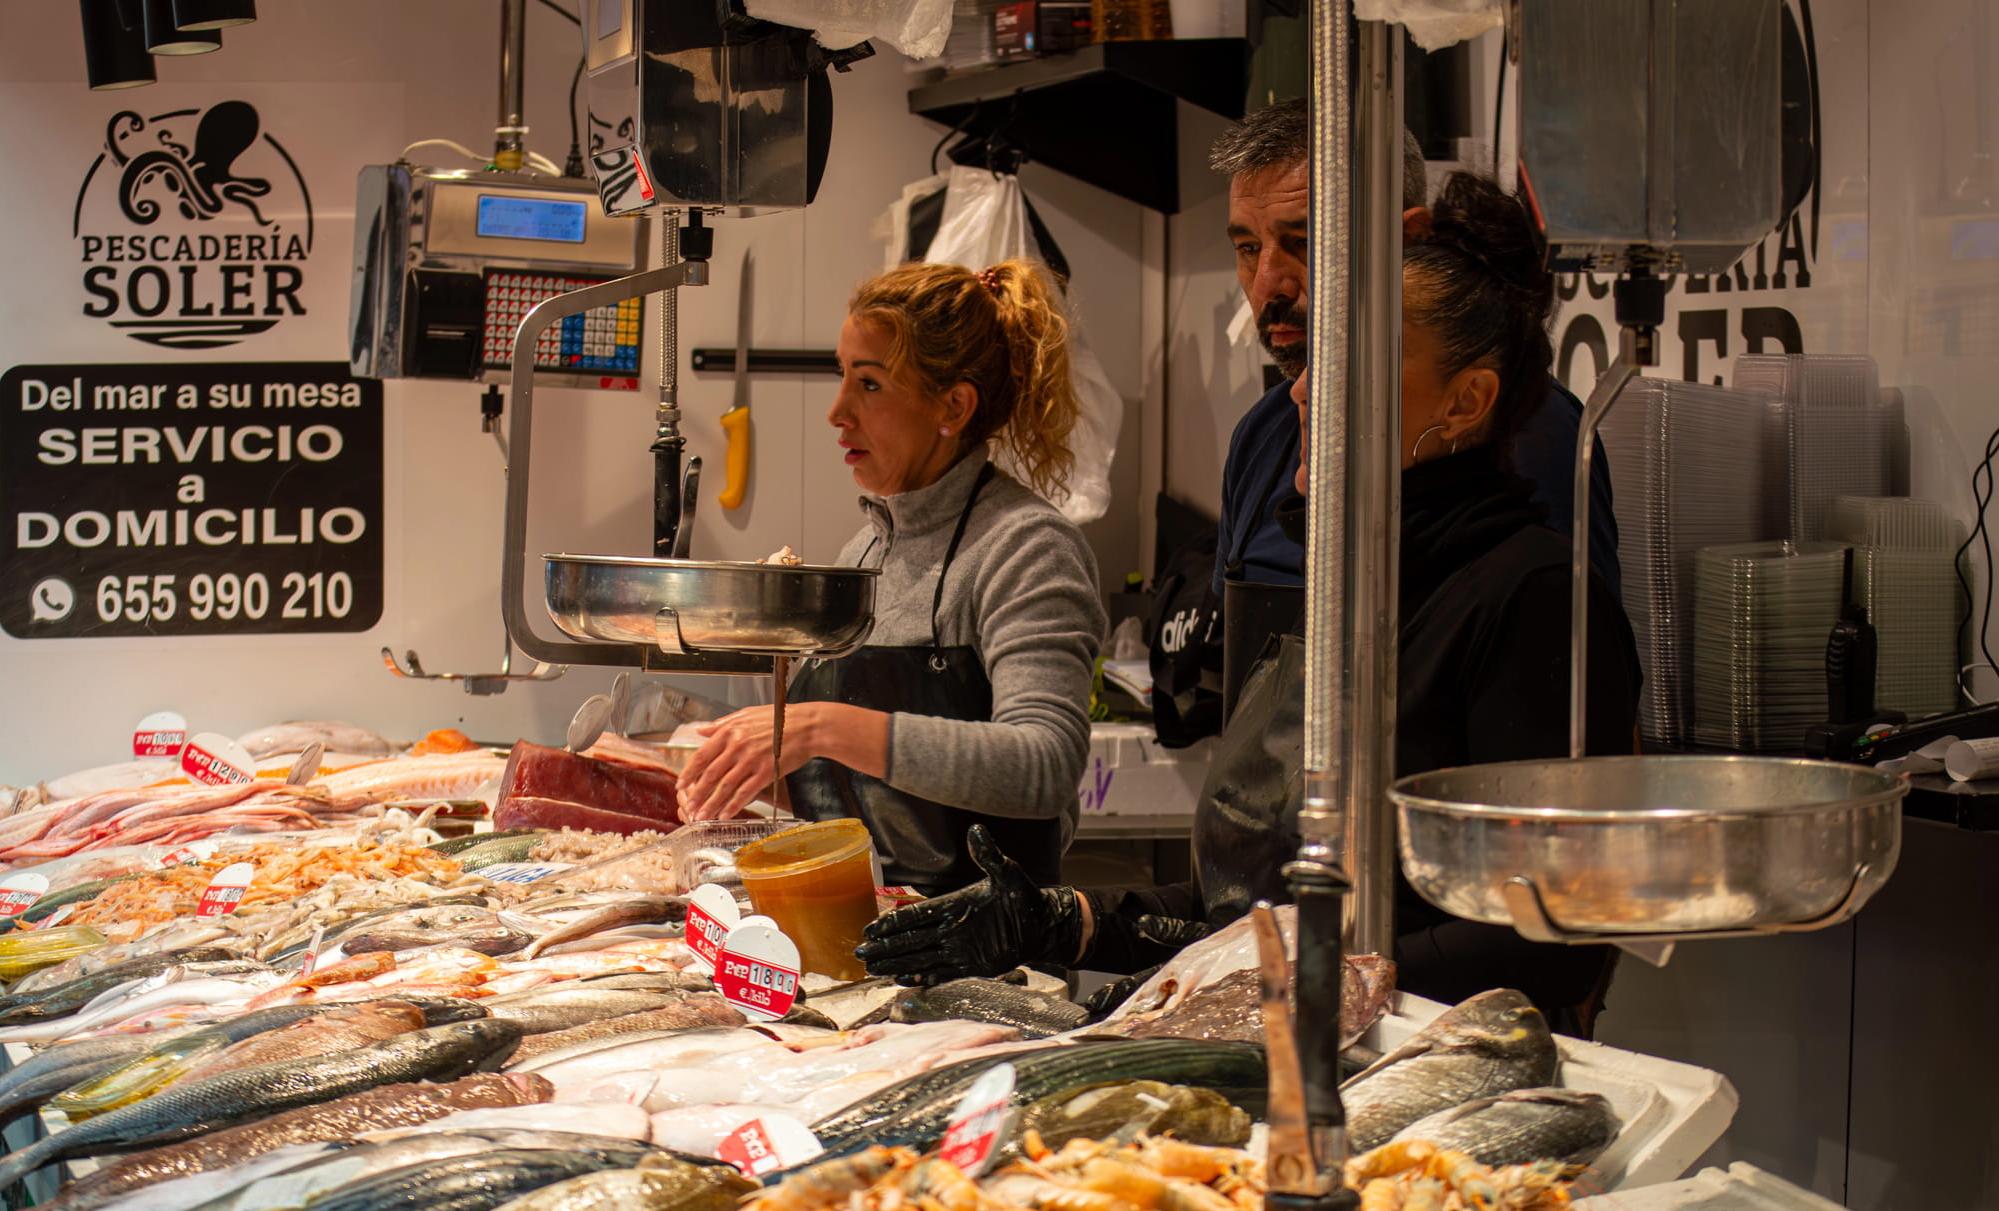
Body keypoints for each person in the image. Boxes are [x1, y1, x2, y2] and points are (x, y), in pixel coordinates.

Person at [856, 174, 1643, 1025]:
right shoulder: (1345, 590)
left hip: (1427, 1088)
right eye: (1315, 361)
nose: (1303, 389)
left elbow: (1546, 944)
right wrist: (1067, 922)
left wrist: (1270, 985)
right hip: (1287, 1050)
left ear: (1465, 402)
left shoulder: (1530, 596)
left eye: (1350, 362)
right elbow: (1244, 906)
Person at [676, 260, 1108, 893]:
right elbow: (860, 793)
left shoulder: (1025, 546)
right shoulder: (864, 552)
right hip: (858, 936)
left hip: (983, 961)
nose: (837, 411)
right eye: (841, 375)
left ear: (953, 406)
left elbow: (1044, 765)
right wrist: (727, 767)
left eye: (870, 384)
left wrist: (819, 726)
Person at [1209, 98, 1621, 609]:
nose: (1269, 284)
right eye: (1248, 248)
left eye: (1306, 241)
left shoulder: (1528, 431)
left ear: (1407, 238)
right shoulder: (1261, 432)